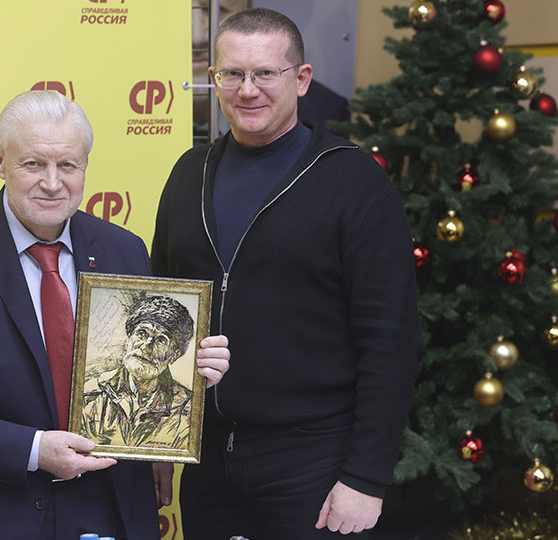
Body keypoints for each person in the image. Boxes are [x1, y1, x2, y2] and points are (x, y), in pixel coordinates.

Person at [0, 90, 229, 540]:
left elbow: (145, 384)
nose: (52, 182)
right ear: (0, 163)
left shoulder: (124, 250)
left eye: (67, 165)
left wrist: (193, 373)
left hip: (110, 510)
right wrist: (33, 449)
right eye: (33, 164)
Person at [151, 8, 424, 539]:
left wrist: (366, 478)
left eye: (265, 73)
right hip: (207, 462)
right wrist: (158, 440)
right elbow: (163, 307)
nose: (247, 89)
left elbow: (391, 342)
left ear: (301, 79)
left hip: (315, 463)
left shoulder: (354, 182)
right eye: (233, 74)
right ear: (214, 79)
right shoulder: (189, 174)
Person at [82, 294, 196, 449]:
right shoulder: (90, 395)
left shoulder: (186, 407)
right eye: (142, 333)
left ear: (174, 355)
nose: (147, 346)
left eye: (161, 340)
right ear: (129, 339)